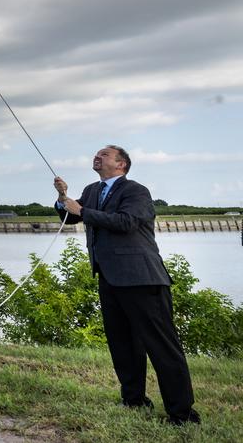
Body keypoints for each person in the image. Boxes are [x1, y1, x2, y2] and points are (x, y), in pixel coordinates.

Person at [54, 146, 198, 425]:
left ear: (121, 165)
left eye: (104, 155)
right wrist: (63, 198)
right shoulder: (92, 190)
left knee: (161, 345)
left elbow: (127, 222)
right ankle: (134, 400)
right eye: (96, 154)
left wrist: (82, 210)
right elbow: (72, 217)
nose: (97, 157)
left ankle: (182, 413)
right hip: (109, 276)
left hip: (142, 278)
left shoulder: (135, 191)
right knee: (122, 344)